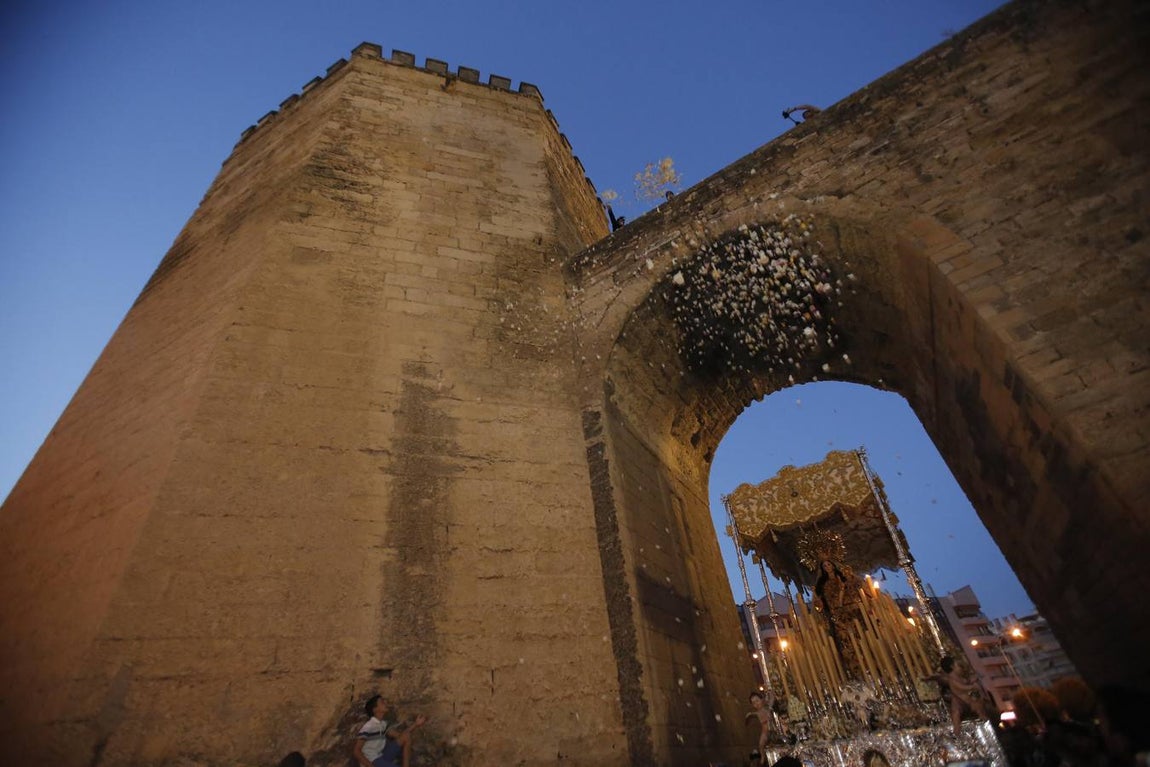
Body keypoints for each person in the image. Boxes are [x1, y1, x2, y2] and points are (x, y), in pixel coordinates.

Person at [353, 694, 427, 767]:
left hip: (381, 756)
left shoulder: (383, 724)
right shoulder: (369, 726)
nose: (385, 703)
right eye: (382, 702)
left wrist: (416, 724)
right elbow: (356, 751)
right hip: (372, 761)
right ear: (375, 709)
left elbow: (401, 736)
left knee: (406, 736)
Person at [930, 656, 990, 736]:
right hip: (958, 702)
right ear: (952, 667)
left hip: (966, 699)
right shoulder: (952, 679)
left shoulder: (958, 677)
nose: (961, 668)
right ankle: (957, 730)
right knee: (956, 713)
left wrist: (974, 679)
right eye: (958, 665)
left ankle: (981, 715)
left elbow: (966, 681)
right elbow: (961, 687)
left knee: (976, 703)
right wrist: (971, 687)